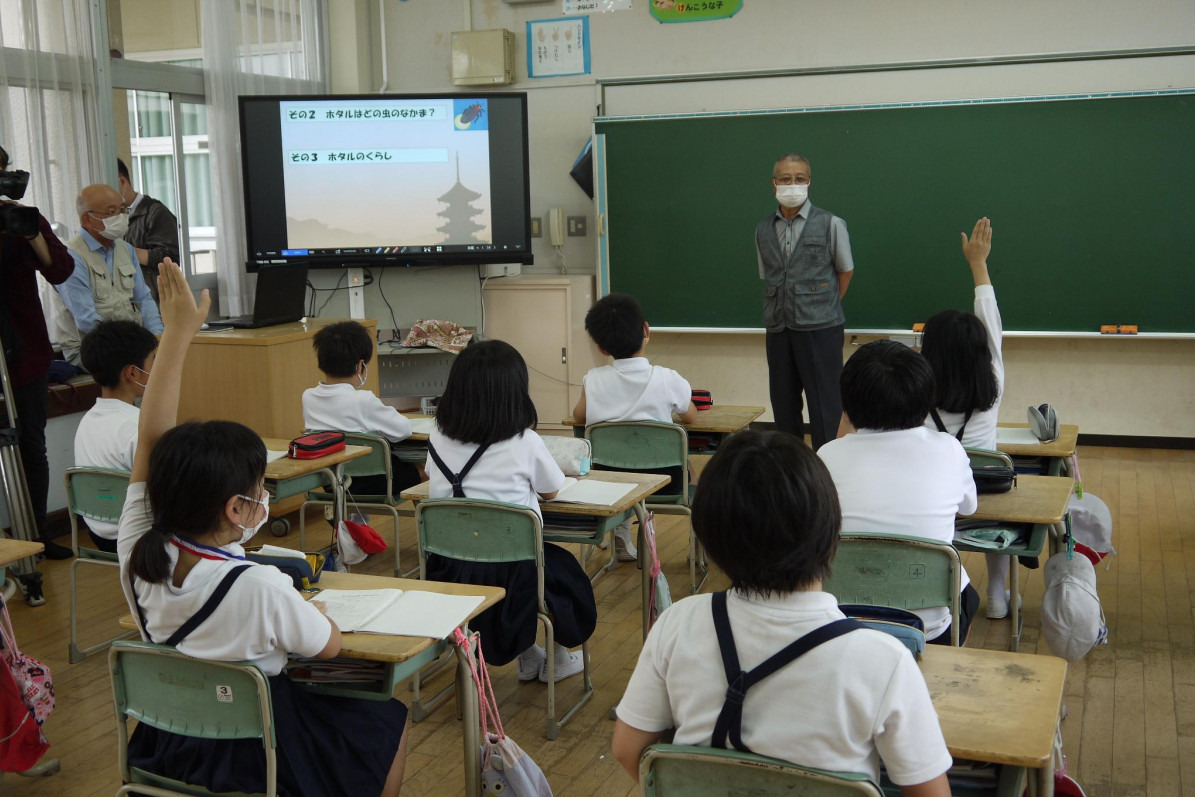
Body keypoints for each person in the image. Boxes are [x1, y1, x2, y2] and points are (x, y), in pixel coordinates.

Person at [118, 260, 408, 795]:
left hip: (167, 741)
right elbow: (328, 647)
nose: (264, 499)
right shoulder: (262, 586)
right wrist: (307, 612)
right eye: (259, 490)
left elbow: (149, 439)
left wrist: (177, 334)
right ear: (234, 509)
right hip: (260, 751)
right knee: (385, 719)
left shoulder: (139, 551)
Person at [612, 431, 952, 795]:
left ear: (710, 538)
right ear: (832, 530)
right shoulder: (883, 661)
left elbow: (627, 749)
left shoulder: (679, 623)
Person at [426, 339, 596, 683]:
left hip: (449, 569)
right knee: (564, 572)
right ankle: (558, 658)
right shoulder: (525, 441)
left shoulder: (437, 436)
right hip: (514, 573)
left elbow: (432, 476)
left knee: (521, 558)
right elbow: (550, 490)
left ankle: (528, 654)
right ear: (514, 392)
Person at [818, 340, 979, 644]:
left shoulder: (826, 456)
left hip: (841, 620)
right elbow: (969, 508)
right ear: (925, 398)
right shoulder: (948, 449)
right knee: (968, 591)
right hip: (929, 628)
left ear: (847, 403)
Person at [921, 217, 1010, 619]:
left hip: (930, 491)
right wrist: (979, 265)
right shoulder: (993, 381)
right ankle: (997, 592)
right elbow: (990, 320)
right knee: (1002, 499)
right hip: (984, 487)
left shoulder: (915, 389)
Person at [572, 292, 697, 561]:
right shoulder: (667, 378)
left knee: (626, 464)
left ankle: (622, 528)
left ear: (602, 348)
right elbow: (692, 418)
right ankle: (697, 551)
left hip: (607, 480)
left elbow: (579, 417)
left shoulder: (593, 379)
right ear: (646, 330)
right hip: (666, 483)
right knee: (689, 468)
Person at [0, 145, 78, 559]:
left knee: (33, 442)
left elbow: (61, 270)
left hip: (26, 352)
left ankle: (38, 536)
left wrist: (31, 236)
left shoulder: (20, 218)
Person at [756, 153, 855, 450]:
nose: (792, 185)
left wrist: (823, 305)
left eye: (799, 179)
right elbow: (769, 275)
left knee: (825, 405)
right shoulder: (762, 229)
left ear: (809, 182)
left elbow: (845, 271)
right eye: (785, 179)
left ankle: (827, 470)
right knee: (784, 406)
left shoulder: (831, 223)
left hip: (821, 329)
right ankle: (792, 471)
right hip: (778, 328)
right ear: (773, 184)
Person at [302, 321, 421, 503]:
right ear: (360, 366)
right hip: (375, 481)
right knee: (424, 469)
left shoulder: (308, 397)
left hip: (332, 480)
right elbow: (403, 430)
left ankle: (356, 525)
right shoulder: (363, 400)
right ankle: (425, 528)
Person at [73, 320, 158, 553]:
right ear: (132, 372)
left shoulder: (87, 421)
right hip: (136, 538)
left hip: (98, 534)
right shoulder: (137, 427)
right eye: (154, 360)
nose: (158, 367)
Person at [55, 183, 163, 367]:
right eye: (111, 212)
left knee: (168, 363)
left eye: (122, 210)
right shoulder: (70, 257)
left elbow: (143, 299)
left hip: (130, 347)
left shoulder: (125, 249)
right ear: (87, 220)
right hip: (90, 349)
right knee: (142, 374)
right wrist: (134, 349)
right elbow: (87, 320)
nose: (120, 217)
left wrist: (157, 339)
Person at [117, 158, 179, 296]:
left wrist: (124, 250)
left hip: (154, 300)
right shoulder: (109, 217)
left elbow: (171, 258)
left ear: (122, 182)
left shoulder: (155, 212)